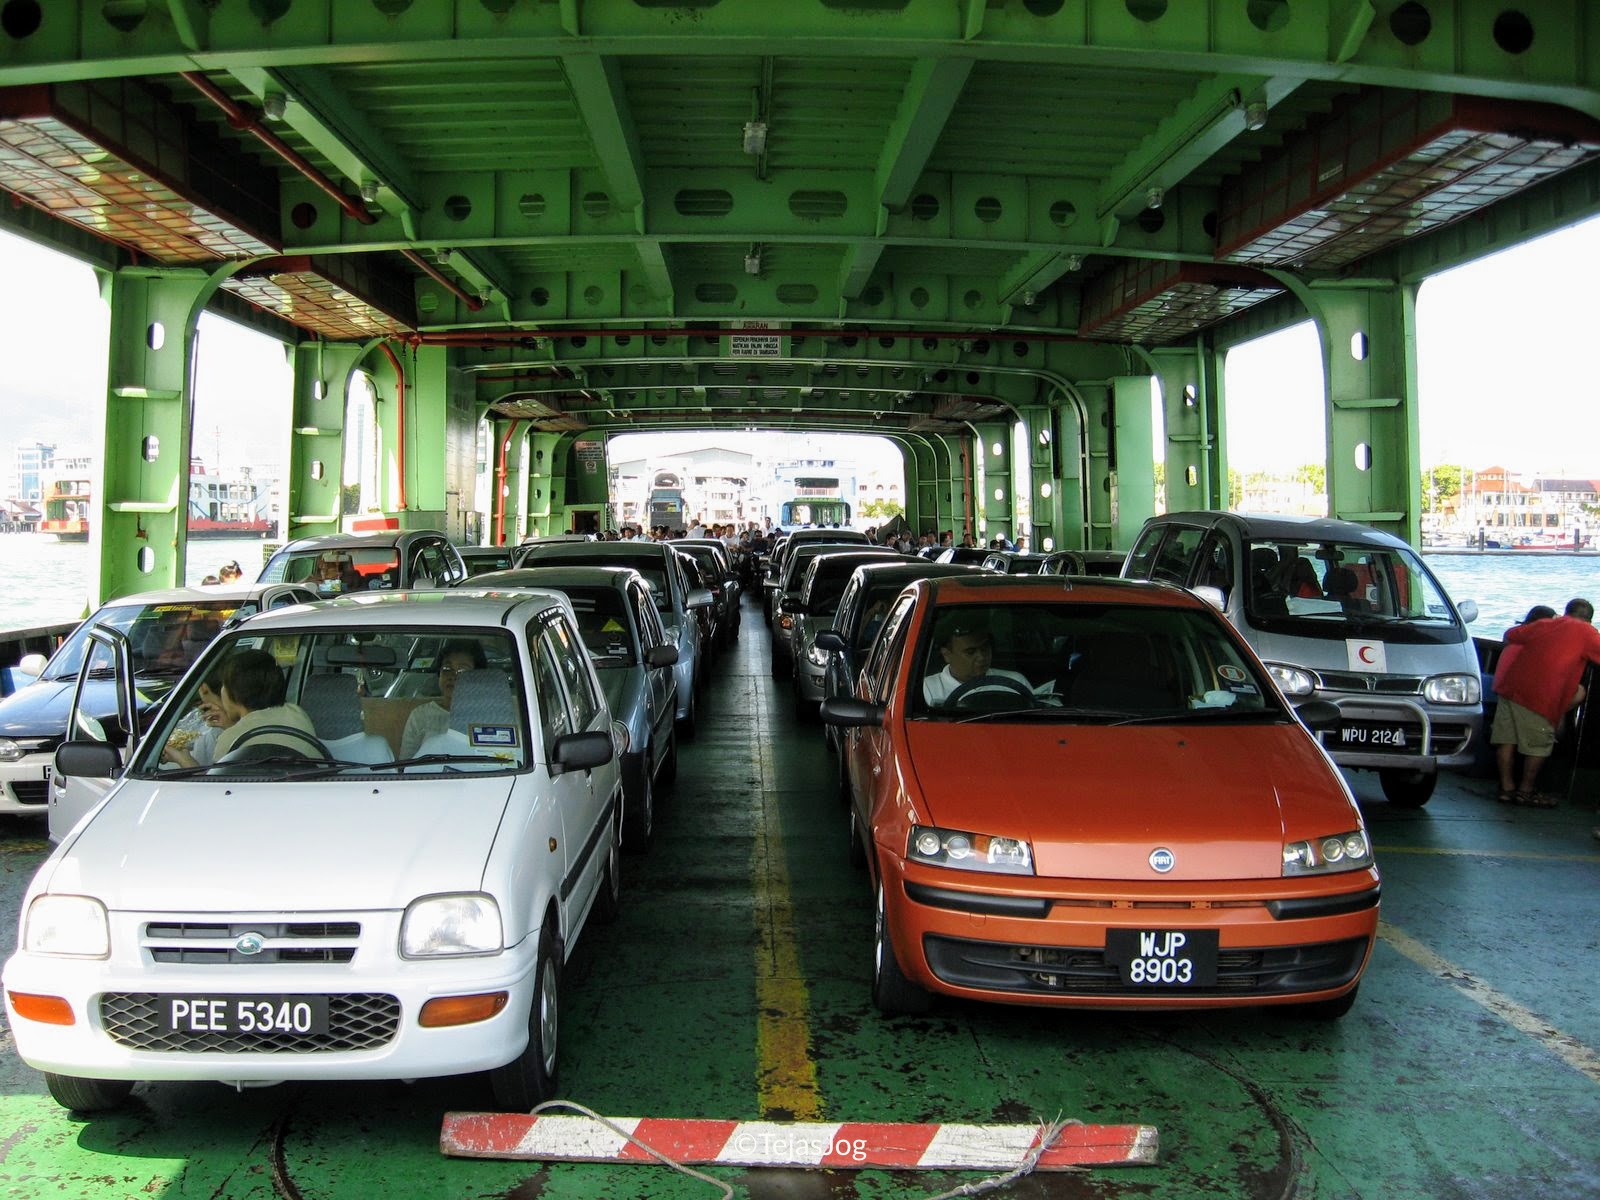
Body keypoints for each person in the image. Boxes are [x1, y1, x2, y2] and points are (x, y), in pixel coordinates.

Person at [1491, 597, 1600, 807]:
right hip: (1539, 696)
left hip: (1511, 689)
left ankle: (1506, 789)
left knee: (1507, 740)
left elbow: (1511, 635)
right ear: (1589, 620)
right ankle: (1526, 791)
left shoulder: (1544, 624)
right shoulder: (1587, 633)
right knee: (1539, 746)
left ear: (1566, 613)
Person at [207, 649, 317, 761]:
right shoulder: (297, 713)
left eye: (224, 685)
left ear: (234, 692)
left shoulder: (229, 740)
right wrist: (233, 727)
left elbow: (215, 777)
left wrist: (187, 758)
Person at [401, 639, 488, 758]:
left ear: (477, 677)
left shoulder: (490, 716)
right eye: (447, 668)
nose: (452, 676)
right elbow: (406, 765)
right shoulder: (420, 715)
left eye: (462, 670)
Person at [922, 615, 1033, 705]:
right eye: (970, 652)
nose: (981, 657)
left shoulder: (1016, 681)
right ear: (947, 655)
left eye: (984, 648)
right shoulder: (927, 689)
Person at [161, 678, 235, 769]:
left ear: (203, 688)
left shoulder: (212, 732)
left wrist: (183, 760)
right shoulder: (228, 724)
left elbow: (210, 781)